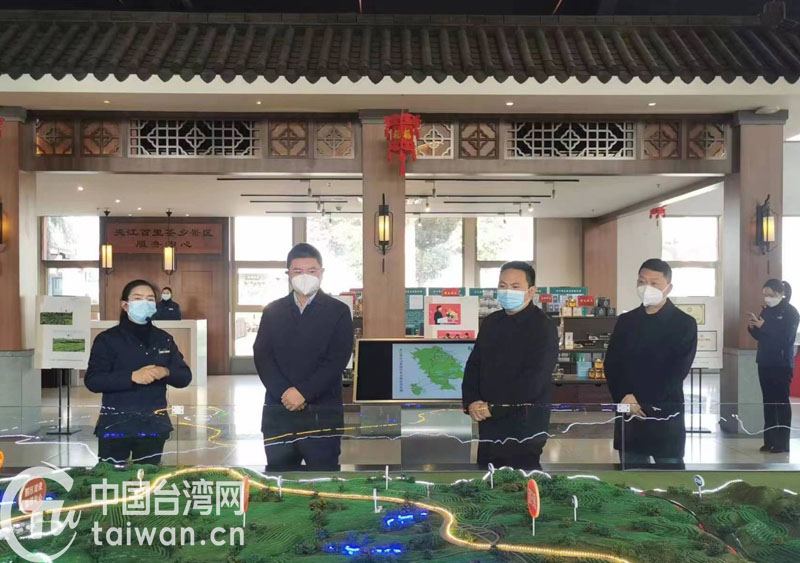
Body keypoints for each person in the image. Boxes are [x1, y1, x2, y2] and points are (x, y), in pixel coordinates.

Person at [254, 243, 354, 471]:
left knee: (324, 480)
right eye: (298, 271)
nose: (305, 276)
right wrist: (284, 392)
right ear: (288, 274)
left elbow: (337, 359)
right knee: (281, 481)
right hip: (279, 411)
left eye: (312, 270)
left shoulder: (338, 311)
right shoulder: (273, 311)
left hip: (322, 412)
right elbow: (262, 356)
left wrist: (303, 393)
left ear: (321, 273)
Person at [462, 261, 559, 470]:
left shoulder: (543, 326)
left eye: (515, 287)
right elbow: (474, 364)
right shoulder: (491, 322)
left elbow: (535, 378)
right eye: (503, 286)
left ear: (531, 291)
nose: (507, 292)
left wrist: (495, 407)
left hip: (524, 423)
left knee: (520, 481)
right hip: (488, 421)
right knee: (488, 478)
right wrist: (472, 400)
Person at [85, 279, 192, 465]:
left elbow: (184, 377)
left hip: (153, 424)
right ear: (125, 305)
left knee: (148, 478)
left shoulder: (164, 339)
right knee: (112, 479)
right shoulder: (107, 339)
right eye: (138, 298)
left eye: (150, 299)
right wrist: (131, 377)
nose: (145, 303)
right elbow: (93, 380)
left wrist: (165, 371)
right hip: (116, 424)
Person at [605, 259, 697, 469]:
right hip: (628, 411)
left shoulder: (684, 323)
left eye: (654, 283)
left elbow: (676, 371)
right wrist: (624, 396)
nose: (647, 288)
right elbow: (612, 364)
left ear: (668, 288)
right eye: (642, 281)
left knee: (670, 477)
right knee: (631, 477)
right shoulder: (626, 321)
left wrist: (641, 399)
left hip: (664, 412)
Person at [748, 279, 799, 454]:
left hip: (781, 364)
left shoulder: (791, 313)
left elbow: (786, 338)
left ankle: (782, 443)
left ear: (779, 294)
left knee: (781, 402)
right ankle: (769, 440)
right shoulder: (767, 310)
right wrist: (753, 327)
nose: (767, 298)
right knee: (768, 402)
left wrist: (765, 326)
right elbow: (763, 335)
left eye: (770, 295)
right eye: (764, 295)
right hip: (765, 361)